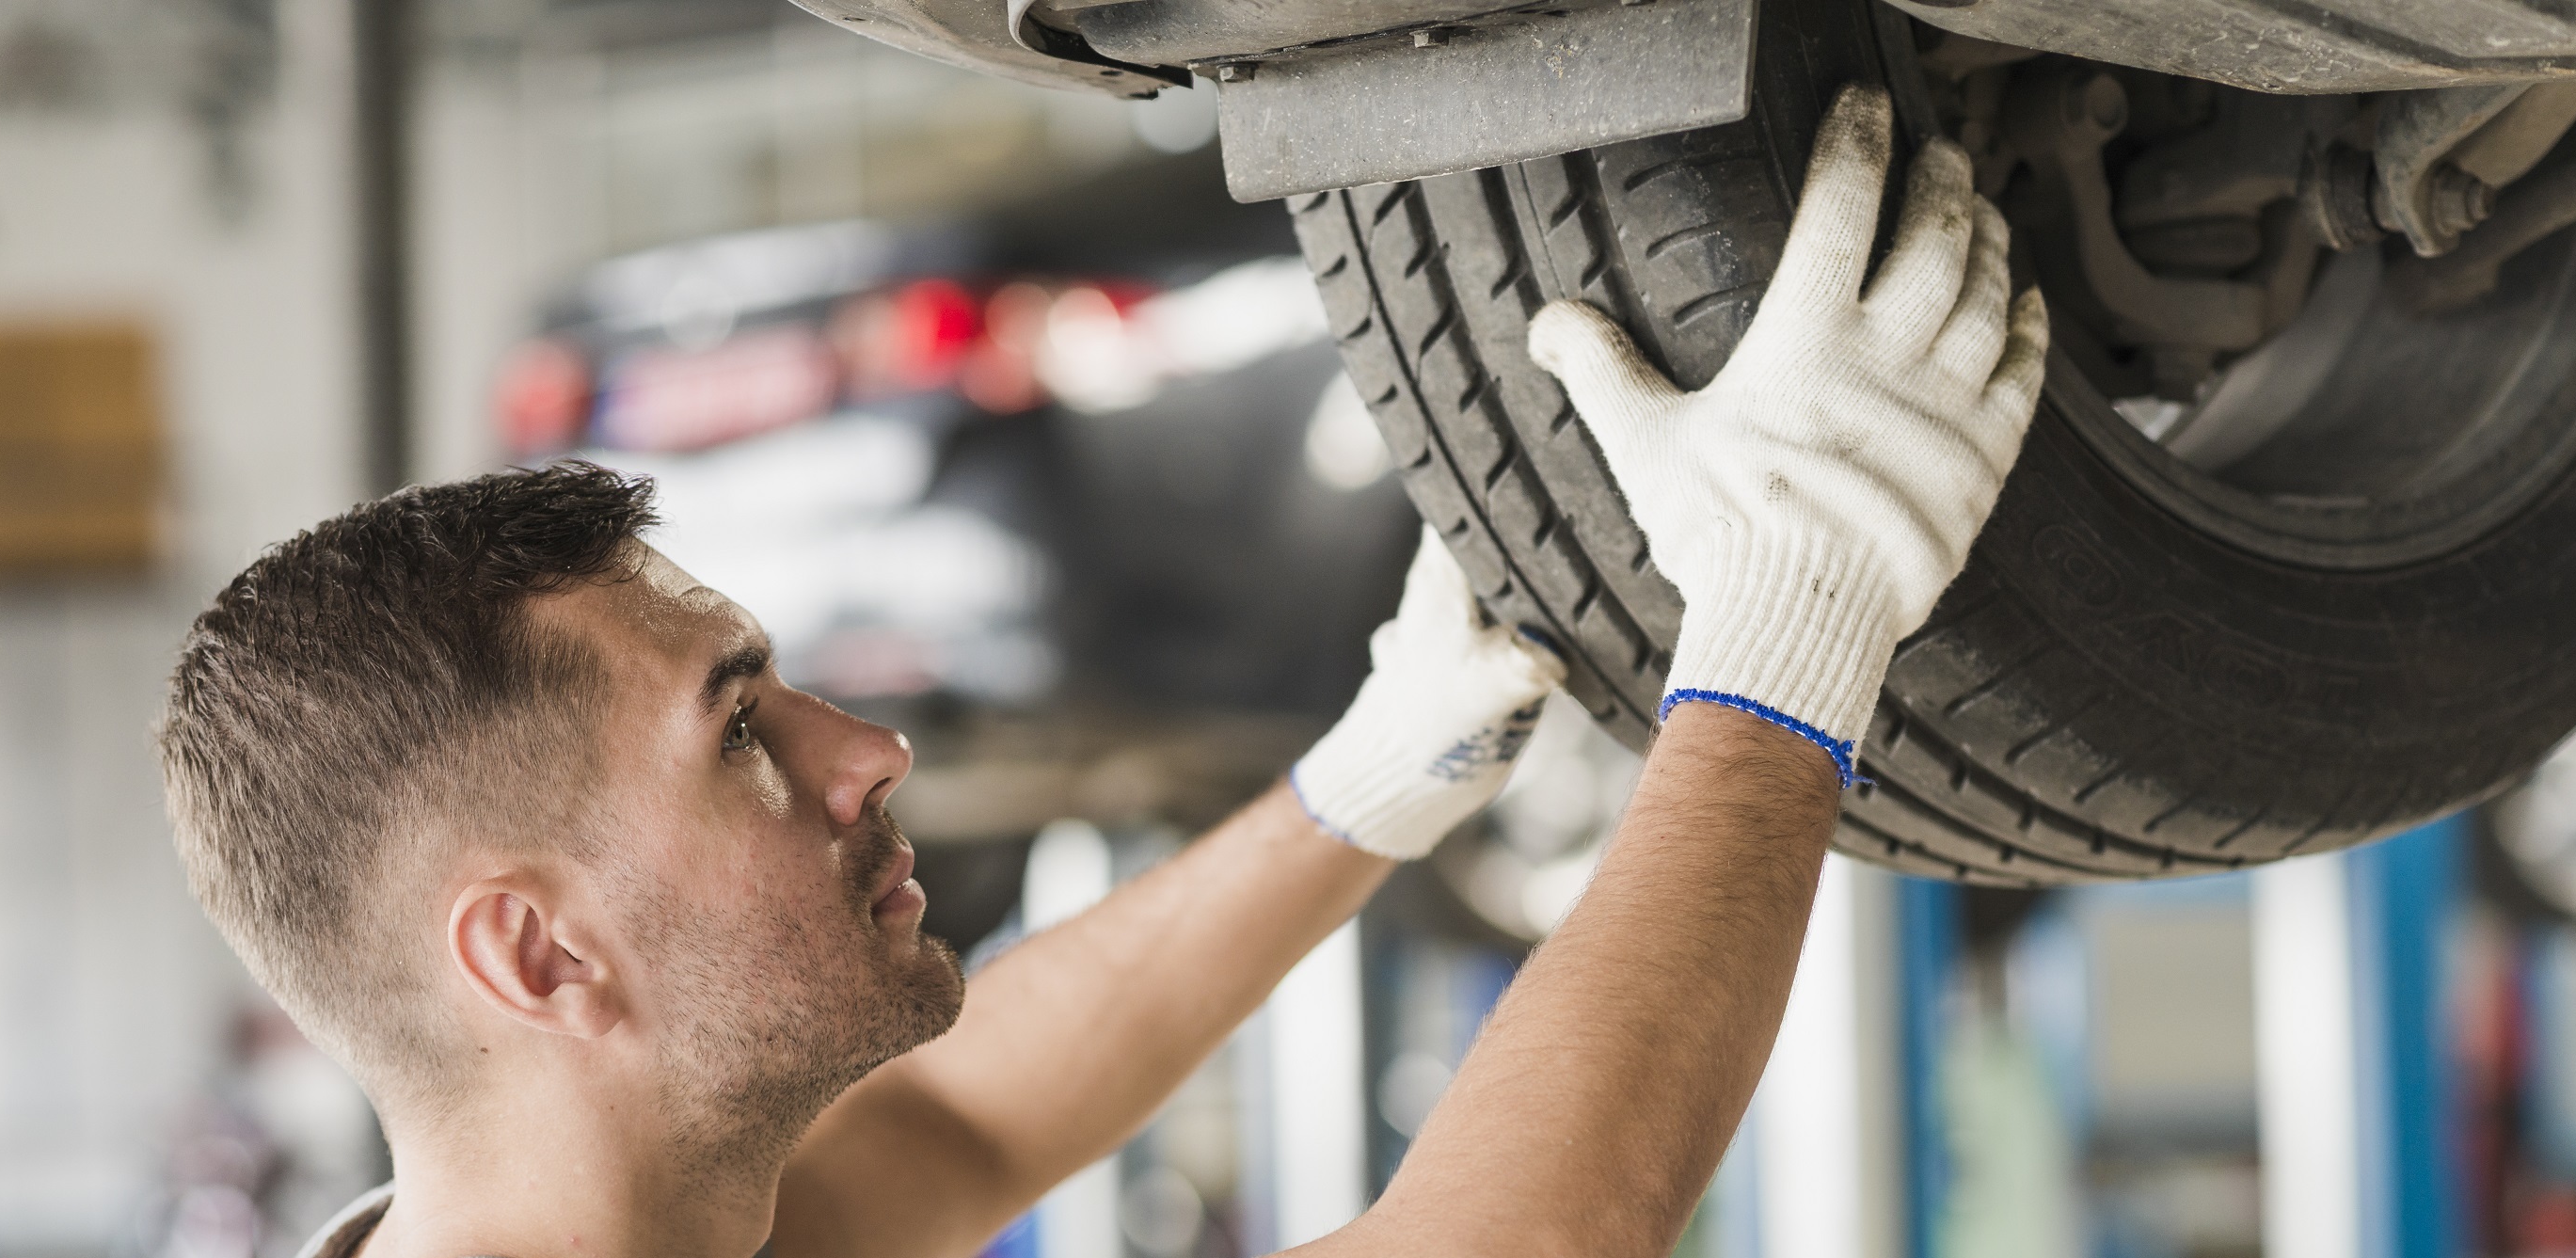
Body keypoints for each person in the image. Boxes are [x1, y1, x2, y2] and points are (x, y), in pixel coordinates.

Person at [154, 84, 2044, 1258]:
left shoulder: (601, 1217)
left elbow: (959, 1123)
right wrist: (1789, 631)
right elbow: (1523, 1243)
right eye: (736, 734)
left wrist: (1360, 789)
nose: (865, 747)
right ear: (538, 957)